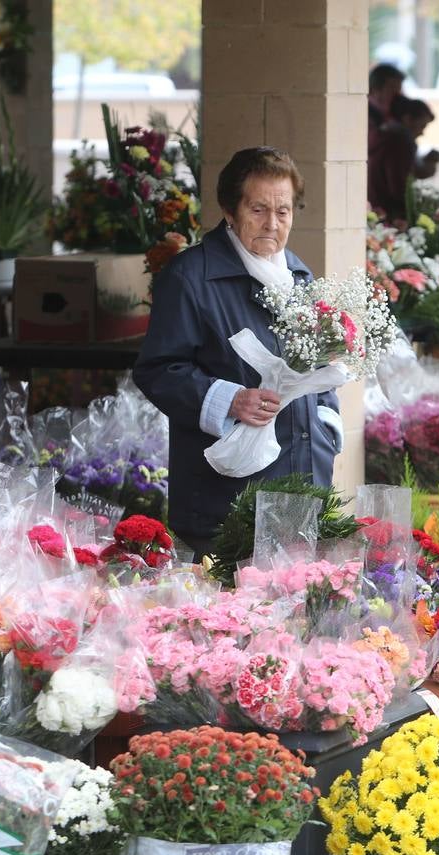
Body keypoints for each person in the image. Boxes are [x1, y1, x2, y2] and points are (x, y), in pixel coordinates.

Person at [133, 147, 342, 558]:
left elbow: (317, 364)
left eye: (283, 212)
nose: (272, 223)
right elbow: (157, 370)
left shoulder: (298, 275)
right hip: (226, 492)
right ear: (230, 209)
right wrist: (230, 399)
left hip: (305, 473)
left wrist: (327, 427)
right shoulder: (190, 276)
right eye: (258, 208)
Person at [368, 97, 439, 221]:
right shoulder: (400, 142)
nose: (422, 133)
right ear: (407, 119)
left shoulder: (382, 135)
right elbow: (400, 187)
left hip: (374, 208)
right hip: (389, 214)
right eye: (422, 126)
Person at [367, 63, 406, 152]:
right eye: (392, 89)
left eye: (398, 90)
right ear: (375, 88)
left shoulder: (393, 113)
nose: (397, 96)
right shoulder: (364, 114)